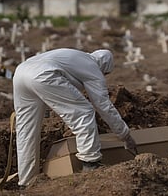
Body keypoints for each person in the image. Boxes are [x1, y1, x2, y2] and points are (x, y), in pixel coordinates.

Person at [13, 48, 137, 187]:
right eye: (105, 73)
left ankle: (26, 182)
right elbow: (103, 106)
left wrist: (45, 108)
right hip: (43, 75)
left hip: (20, 72)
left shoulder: (77, 57)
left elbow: (50, 69)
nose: (104, 76)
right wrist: (125, 135)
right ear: (104, 67)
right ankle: (91, 163)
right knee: (84, 112)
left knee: (26, 131)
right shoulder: (93, 68)